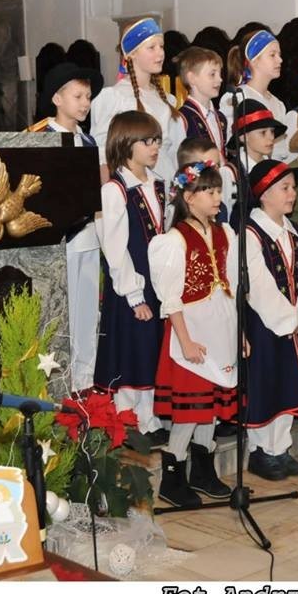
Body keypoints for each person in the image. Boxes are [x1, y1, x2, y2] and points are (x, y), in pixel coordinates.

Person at [149, 160, 238, 507]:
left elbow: (231, 286)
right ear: (188, 197)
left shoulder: (225, 233)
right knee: (191, 409)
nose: (217, 198)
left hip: (220, 329)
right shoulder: (173, 240)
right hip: (191, 333)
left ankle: (203, 471)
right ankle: (172, 478)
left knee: (210, 408)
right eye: (209, 191)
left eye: (219, 191)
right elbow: (171, 298)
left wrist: (239, 334)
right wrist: (185, 340)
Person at [243, 159, 298, 479]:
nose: (292, 194)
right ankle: (261, 450)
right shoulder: (251, 234)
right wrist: (288, 318)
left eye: (293, 188)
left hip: (294, 321)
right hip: (266, 325)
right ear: (264, 194)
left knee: (288, 381)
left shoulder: (294, 230)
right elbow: (257, 285)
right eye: (285, 188)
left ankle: (280, 447)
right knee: (267, 382)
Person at [27, 62, 103, 392]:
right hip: (59, 240)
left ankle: (84, 380)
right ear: (57, 99)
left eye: (88, 96)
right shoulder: (40, 137)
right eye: (78, 96)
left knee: (86, 312)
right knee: (60, 311)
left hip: (88, 237)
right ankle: (57, 380)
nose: (85, 103)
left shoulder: (87, 140)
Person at [94, 111, 168, 448]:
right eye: (146, 141)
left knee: (151, 348)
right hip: (130, 284)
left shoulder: (157, 184)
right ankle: (127, 419)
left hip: (155, 281)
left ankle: (149, 418)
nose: (154, 147)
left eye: (157, 141)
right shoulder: (115, 190)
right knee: (132, 348)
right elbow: (114, 246)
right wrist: (133, 293)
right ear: (125, 144)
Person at [90, 17, 185, 188]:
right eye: (151, 48)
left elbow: (174, 149)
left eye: (161, 46)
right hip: (133, 184)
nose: (160, 53)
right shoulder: (115, 97)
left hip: (167, 181)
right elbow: (102, 154)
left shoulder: (166, 99)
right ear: (132, 54)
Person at [220, 29, 290, 161]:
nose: (280, 60)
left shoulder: (278, 104)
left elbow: (281, 150)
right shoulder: (237, 97)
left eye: (279, 55)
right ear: (254, 61)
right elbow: (230, 144)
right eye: (272, 55)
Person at [224, 99, 288, 228]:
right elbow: (225, 216)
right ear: (243, 137)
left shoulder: (273, 169)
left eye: (272, 131)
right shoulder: (230, 173)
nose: (271, 137)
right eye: (263, 132)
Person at [175, 46, 227, 158]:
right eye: (212, 74)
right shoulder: (182, 119)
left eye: (220, 74)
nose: (220, 79)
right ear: (192, 78)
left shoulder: (221, 117)